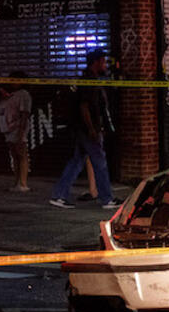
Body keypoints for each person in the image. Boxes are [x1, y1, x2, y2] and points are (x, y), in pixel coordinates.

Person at [50, 49, 121, 209]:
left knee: (76, 161)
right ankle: (107, 199)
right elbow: (84, 106)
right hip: (88, 129)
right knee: (100, 162)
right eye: (103, 61)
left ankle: (59, 195)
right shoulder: (89, 81)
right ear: (95, 62)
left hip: (82, 129)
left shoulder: (90, 79)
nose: (105, 65)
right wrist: (92, 129)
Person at [0, 72, 32, 192]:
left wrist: (21, 131)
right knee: (15, 156)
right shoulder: (9, 96)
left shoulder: (24, 94)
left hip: (18, 128)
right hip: (9, 129)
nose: (12, 82)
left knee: (21, 154)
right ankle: (17, 182)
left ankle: (23, 183)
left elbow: (25, 113)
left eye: (15, 80)